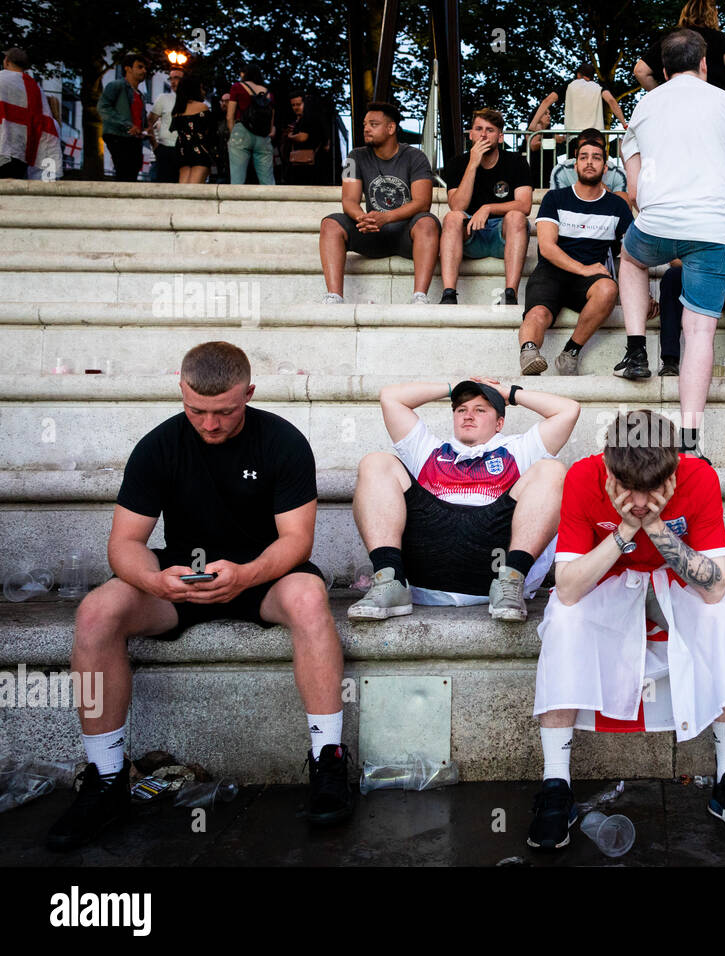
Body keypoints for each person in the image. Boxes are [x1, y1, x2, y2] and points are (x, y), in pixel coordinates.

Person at [45, 342, 351, 851]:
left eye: (225, 412)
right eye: (196, 411)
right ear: (181, 392)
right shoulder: (159, 445)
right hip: (182, 577)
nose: (209, 424)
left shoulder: (282, 440)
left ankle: (328, 761)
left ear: (248, 394)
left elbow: (297, 540)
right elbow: (124, 544)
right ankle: (106, 778)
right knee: (97, 610)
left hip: (264, 573)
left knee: (309, 599)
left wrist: (248, 574)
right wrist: (154, 581)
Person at [527, 409, 725, 850]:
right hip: (608, 578)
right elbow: (567, 587)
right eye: (627, 490)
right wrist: (624, 531)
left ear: (673, 469)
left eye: (652, 491)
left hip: (673, 580)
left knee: (720, 618)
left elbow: (715, 587)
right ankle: (555, 786)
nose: (639, 502)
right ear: (608, 467)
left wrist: (654, 527)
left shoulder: (699, 476)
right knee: (562, 619)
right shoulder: (584, 476)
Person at [616, 28, 725, 461]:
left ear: (662, 69)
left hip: (658, 222)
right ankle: (691, 442)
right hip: (713, 229)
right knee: (700, 333)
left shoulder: (644, 105)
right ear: (705, 64)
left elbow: (634, 188)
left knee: (630, 259)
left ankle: (637, 348)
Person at [348, 378, 578, 623]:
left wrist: (506, 393)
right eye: (461, 410)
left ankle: (512, 580)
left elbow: (568, 410)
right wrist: (451, 387)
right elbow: (391, 397)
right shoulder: (428, 449)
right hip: (425, 564)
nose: (468, 416)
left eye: (480, 410)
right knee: (376, 462)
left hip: (494, 568)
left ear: (499, 422)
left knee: (552, 470)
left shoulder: (519, 449)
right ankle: (389, 578)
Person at [520, 134, 633, 376]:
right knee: (538, 313)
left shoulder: (617, 206)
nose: (589, 162)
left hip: (590, 279)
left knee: (608, 289)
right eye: (583, 157)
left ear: (605, 167)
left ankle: (570, 351)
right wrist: (583, 268)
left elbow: (630, 254)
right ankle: (529, 353)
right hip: (552, 271)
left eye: (596, 158)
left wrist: (640, 293)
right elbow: (547, 247)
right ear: (575, 164)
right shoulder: (556, 198)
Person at [320, 102, 440, 305]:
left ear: (391, 128)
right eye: (365, 124)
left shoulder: (416, 157)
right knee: (330, 223)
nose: (366, 128)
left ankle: (419, 296)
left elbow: (422, 202)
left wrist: (387, 217)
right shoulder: (354, 157)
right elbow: (349, 200)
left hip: (406, 234)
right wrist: (363, 218)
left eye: (373, 124)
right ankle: (335, 296)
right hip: (372, 231)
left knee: (427, 221)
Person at [439, 108, 533, 306]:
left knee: (516, 217)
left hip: (503, 236)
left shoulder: (516, 162)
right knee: (452, 218)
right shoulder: (458, 163)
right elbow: (457, 206)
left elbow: (525, 205)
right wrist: (473, 164)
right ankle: (448, 294)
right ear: (471, 134)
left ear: (500, 137)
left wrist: (488, 208)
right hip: (471, 236)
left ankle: (510, 295)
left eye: (490, 130)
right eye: (478, 129)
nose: (483, 134)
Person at [660, 198, 725, 376]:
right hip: (689, 273)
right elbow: (670, 252)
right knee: (671, 278)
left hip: (723, 272)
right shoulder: (683, 195)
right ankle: (669, 360)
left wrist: (713, 268)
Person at [634, 0, 725, 91]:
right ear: (713, 14)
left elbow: (640, 71)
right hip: (714, 106)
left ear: (685, 13)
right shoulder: (722, 40)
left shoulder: (670, 39)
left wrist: (660, 93)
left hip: (675, 105)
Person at [527, 62, 627, 148]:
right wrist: (624, 124)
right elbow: (612, 101)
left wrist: (533, 124)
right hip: (596, 137)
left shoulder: (569, 85)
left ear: (578, 74)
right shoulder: (598, 87)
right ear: (592, 77)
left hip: (574, 138)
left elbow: (547, 100)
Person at [0, 47, 61, 180]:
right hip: (20, 153)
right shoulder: (35, 88)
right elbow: (43, 123)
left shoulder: (1, 79)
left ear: (7, 61)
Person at [98, 52, 149, 182]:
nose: (144, 70)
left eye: (145, 68)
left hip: (134, 139)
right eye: (140, 67)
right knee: (124, 170)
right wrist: (127, 124)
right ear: (127, 68)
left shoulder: (140, 95)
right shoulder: (116, 86)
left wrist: (143, 130)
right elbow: (103, 107)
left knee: (133, 170)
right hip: (118, 136)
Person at [226, 65, 274, 185]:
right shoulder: (268, 93)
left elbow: (229, 115)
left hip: (241, 132)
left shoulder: (237, 87)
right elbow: (271, 122)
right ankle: (271, 202)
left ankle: (235, 203)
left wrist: (233, 135)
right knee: (268, 181)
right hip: (263, 136)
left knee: (237, 180)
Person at [548, 127, 628, 197]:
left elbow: (625, 210)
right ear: (576, 153)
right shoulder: (562, 170)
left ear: (605, 154)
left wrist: (596, 181)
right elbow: (557, 206)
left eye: (596, 154)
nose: (589, 162)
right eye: (584, 153)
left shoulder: (618, 173)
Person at [170, 76, 218, 185]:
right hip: (199, 151)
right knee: (194, 189)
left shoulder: (177, 110)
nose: (203, 91)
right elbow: (209, 130)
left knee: (183, 187)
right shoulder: (202, 107)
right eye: (201, 88)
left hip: (182, 151)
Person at [146, 65, 185, 183]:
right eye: (171, 78)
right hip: (165, 149)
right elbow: (149, 121)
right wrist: (155, 146)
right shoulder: (163, 98)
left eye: (177, 78)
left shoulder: (191, 101)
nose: (173, 82)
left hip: (184, 150)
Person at [283, 90, 330, 185]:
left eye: (298, 104)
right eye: (293, 105)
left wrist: (290, 136)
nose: (295, 107)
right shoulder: (307, 118)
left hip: (307, 167)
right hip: (309, 164)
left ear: (305, 103)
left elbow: (302, 137)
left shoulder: (308, 117)